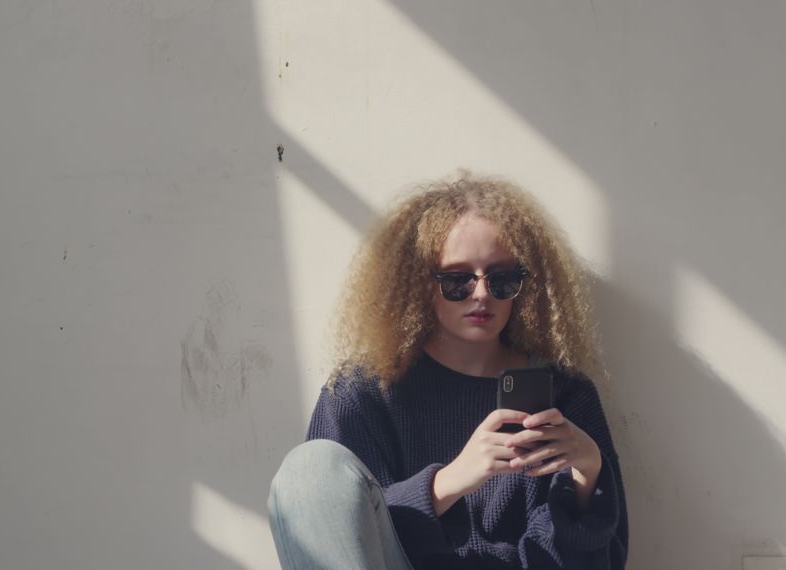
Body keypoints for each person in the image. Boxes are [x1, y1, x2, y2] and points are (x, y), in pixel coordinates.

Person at [267, 173, 628, 569]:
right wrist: (448, 483)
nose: (481, 294)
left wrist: (588, 477)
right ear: (421, 284)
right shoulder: (363, 393)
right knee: (310, 470)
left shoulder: (564, 395)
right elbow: (330, 530)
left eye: (502, 278)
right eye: (457, 280)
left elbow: (600, 563)